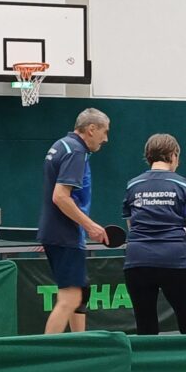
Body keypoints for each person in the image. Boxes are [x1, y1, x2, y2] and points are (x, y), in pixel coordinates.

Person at [123, 133, 186, 334]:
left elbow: (132, 226)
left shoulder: (132, 185)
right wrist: (179, 236)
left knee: (145, 326)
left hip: (138, 260)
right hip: (174, 259)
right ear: (173, 155)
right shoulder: (184, 185)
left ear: (148, 156)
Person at [39, 108, 110, 334]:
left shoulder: (62, 145)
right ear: (91, 129)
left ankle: (79, 344)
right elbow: (60, 197)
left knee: (79, 292)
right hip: (65, 233)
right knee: (69, 298)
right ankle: (45, 352)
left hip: (58, 232)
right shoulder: (76, 152)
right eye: (104, 132)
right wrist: (90, 225)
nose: (106, 139)